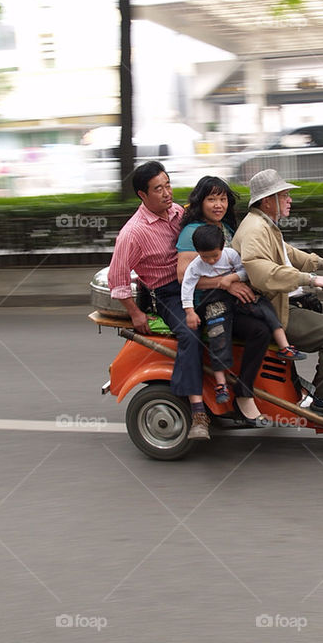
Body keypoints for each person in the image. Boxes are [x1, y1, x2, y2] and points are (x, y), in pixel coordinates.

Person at [231, 169, 323, 417]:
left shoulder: (266, 224)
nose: (290, 200)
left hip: (285, 302)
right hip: (275, 310)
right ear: (268, 201)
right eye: (284, 195)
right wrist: (313, 280)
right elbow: (263, 273)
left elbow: (290, 255)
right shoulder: (255, 229)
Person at [107, 161, 211, 440]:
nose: (167, 193)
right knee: (191, 333)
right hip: (167, 293)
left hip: (200, 282)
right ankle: (197, 409)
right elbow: (116, 279)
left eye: (168, 185)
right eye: (158, 189)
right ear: (143, 195)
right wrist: (135, 314)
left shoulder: (178, 213)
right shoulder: (133, 233)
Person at [176, 176, 272, 426]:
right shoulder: (192, 232)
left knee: (273, 318)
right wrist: (225, 282)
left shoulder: (225, 228)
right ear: (200, 202)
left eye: (222, 199)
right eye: (211, 199)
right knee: (259, 331)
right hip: (209, 304)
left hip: (232, 300)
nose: (218, 205)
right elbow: (183, 277)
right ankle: (243, 395)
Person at [182, 225, 306, 405]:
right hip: (215, 302)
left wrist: (231, 279)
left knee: (264, 308)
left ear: (223, 246)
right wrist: (189, 311)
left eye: (214, 256)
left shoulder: (231, 255)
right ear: (197, 252)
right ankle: (221, 384)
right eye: (205, 256)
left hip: (239, 296)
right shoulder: (195, 266)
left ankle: (284, 345)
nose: (210, 261)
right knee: (218, 336)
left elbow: (245, 271)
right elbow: (187, 286)